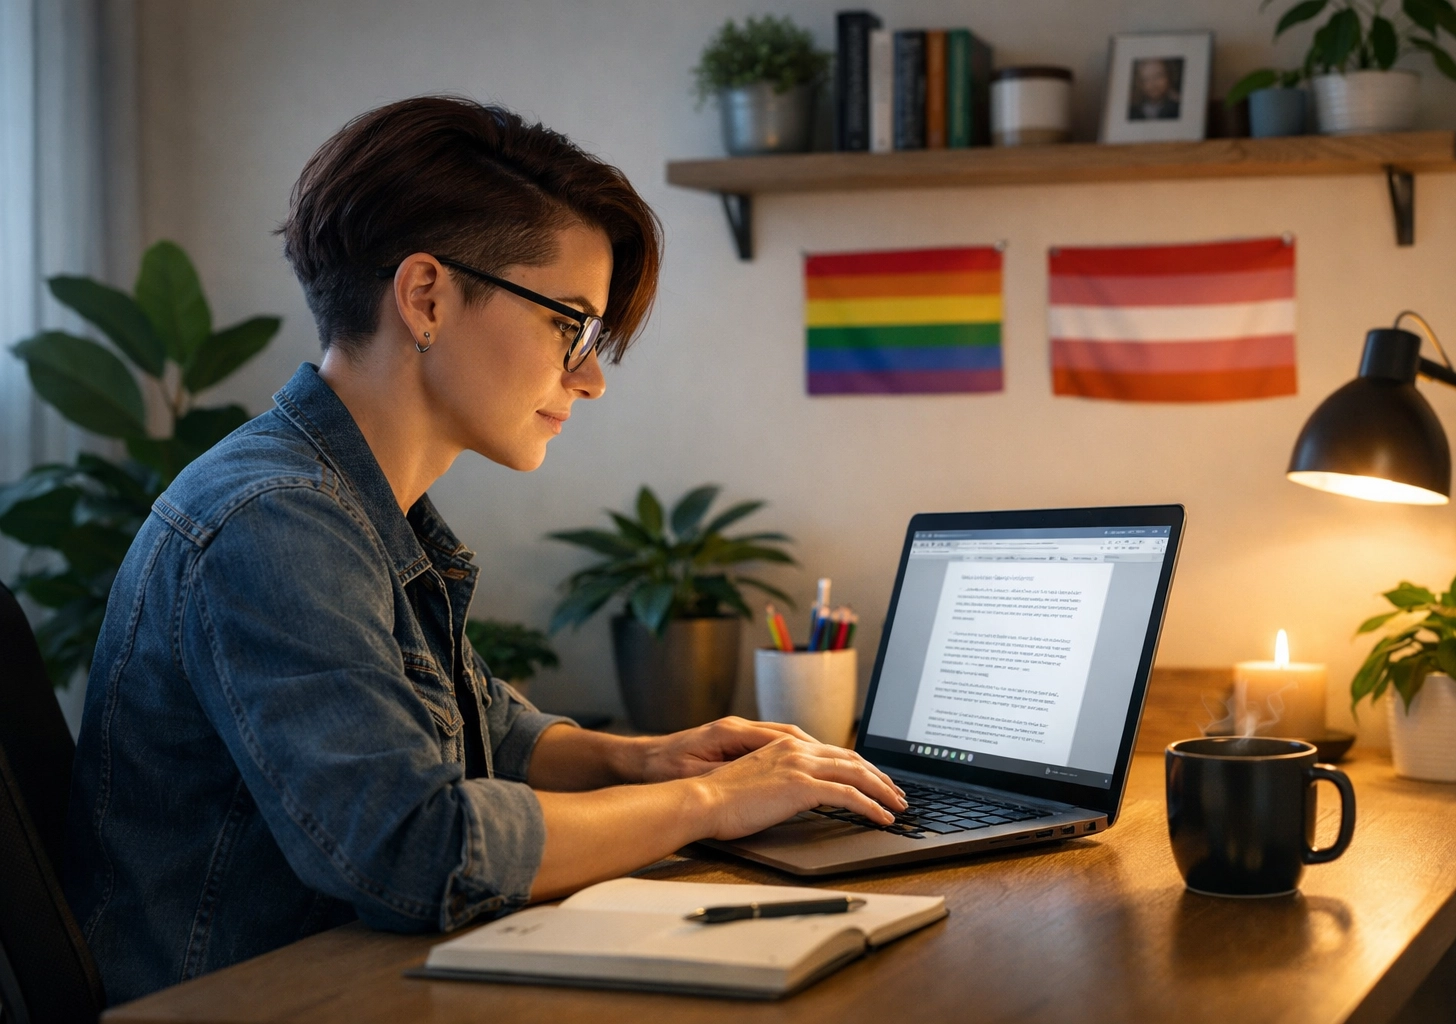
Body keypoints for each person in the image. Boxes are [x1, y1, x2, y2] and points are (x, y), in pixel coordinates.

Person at [63, 96, 906, 1006]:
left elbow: (482, 725)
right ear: (426, 296)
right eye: (568, 325)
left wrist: (648, 759)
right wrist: (713, 804)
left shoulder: (353, 501)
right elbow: (413, 850)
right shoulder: (276, 519)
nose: (588, 378)